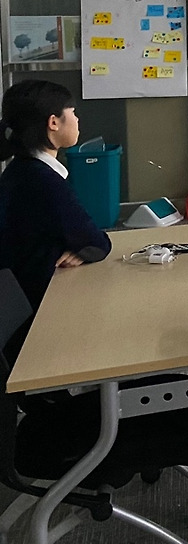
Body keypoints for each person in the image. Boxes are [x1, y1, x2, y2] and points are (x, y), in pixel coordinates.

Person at [0, 80, 111, 361]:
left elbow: (81, 238)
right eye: (72, 112)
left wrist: (81, 247)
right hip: (39, 320)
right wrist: (85, 246)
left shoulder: (21, 170)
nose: (77, 119)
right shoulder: (42, 181)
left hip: (27, 304)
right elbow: (97, 241)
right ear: (53, 123)